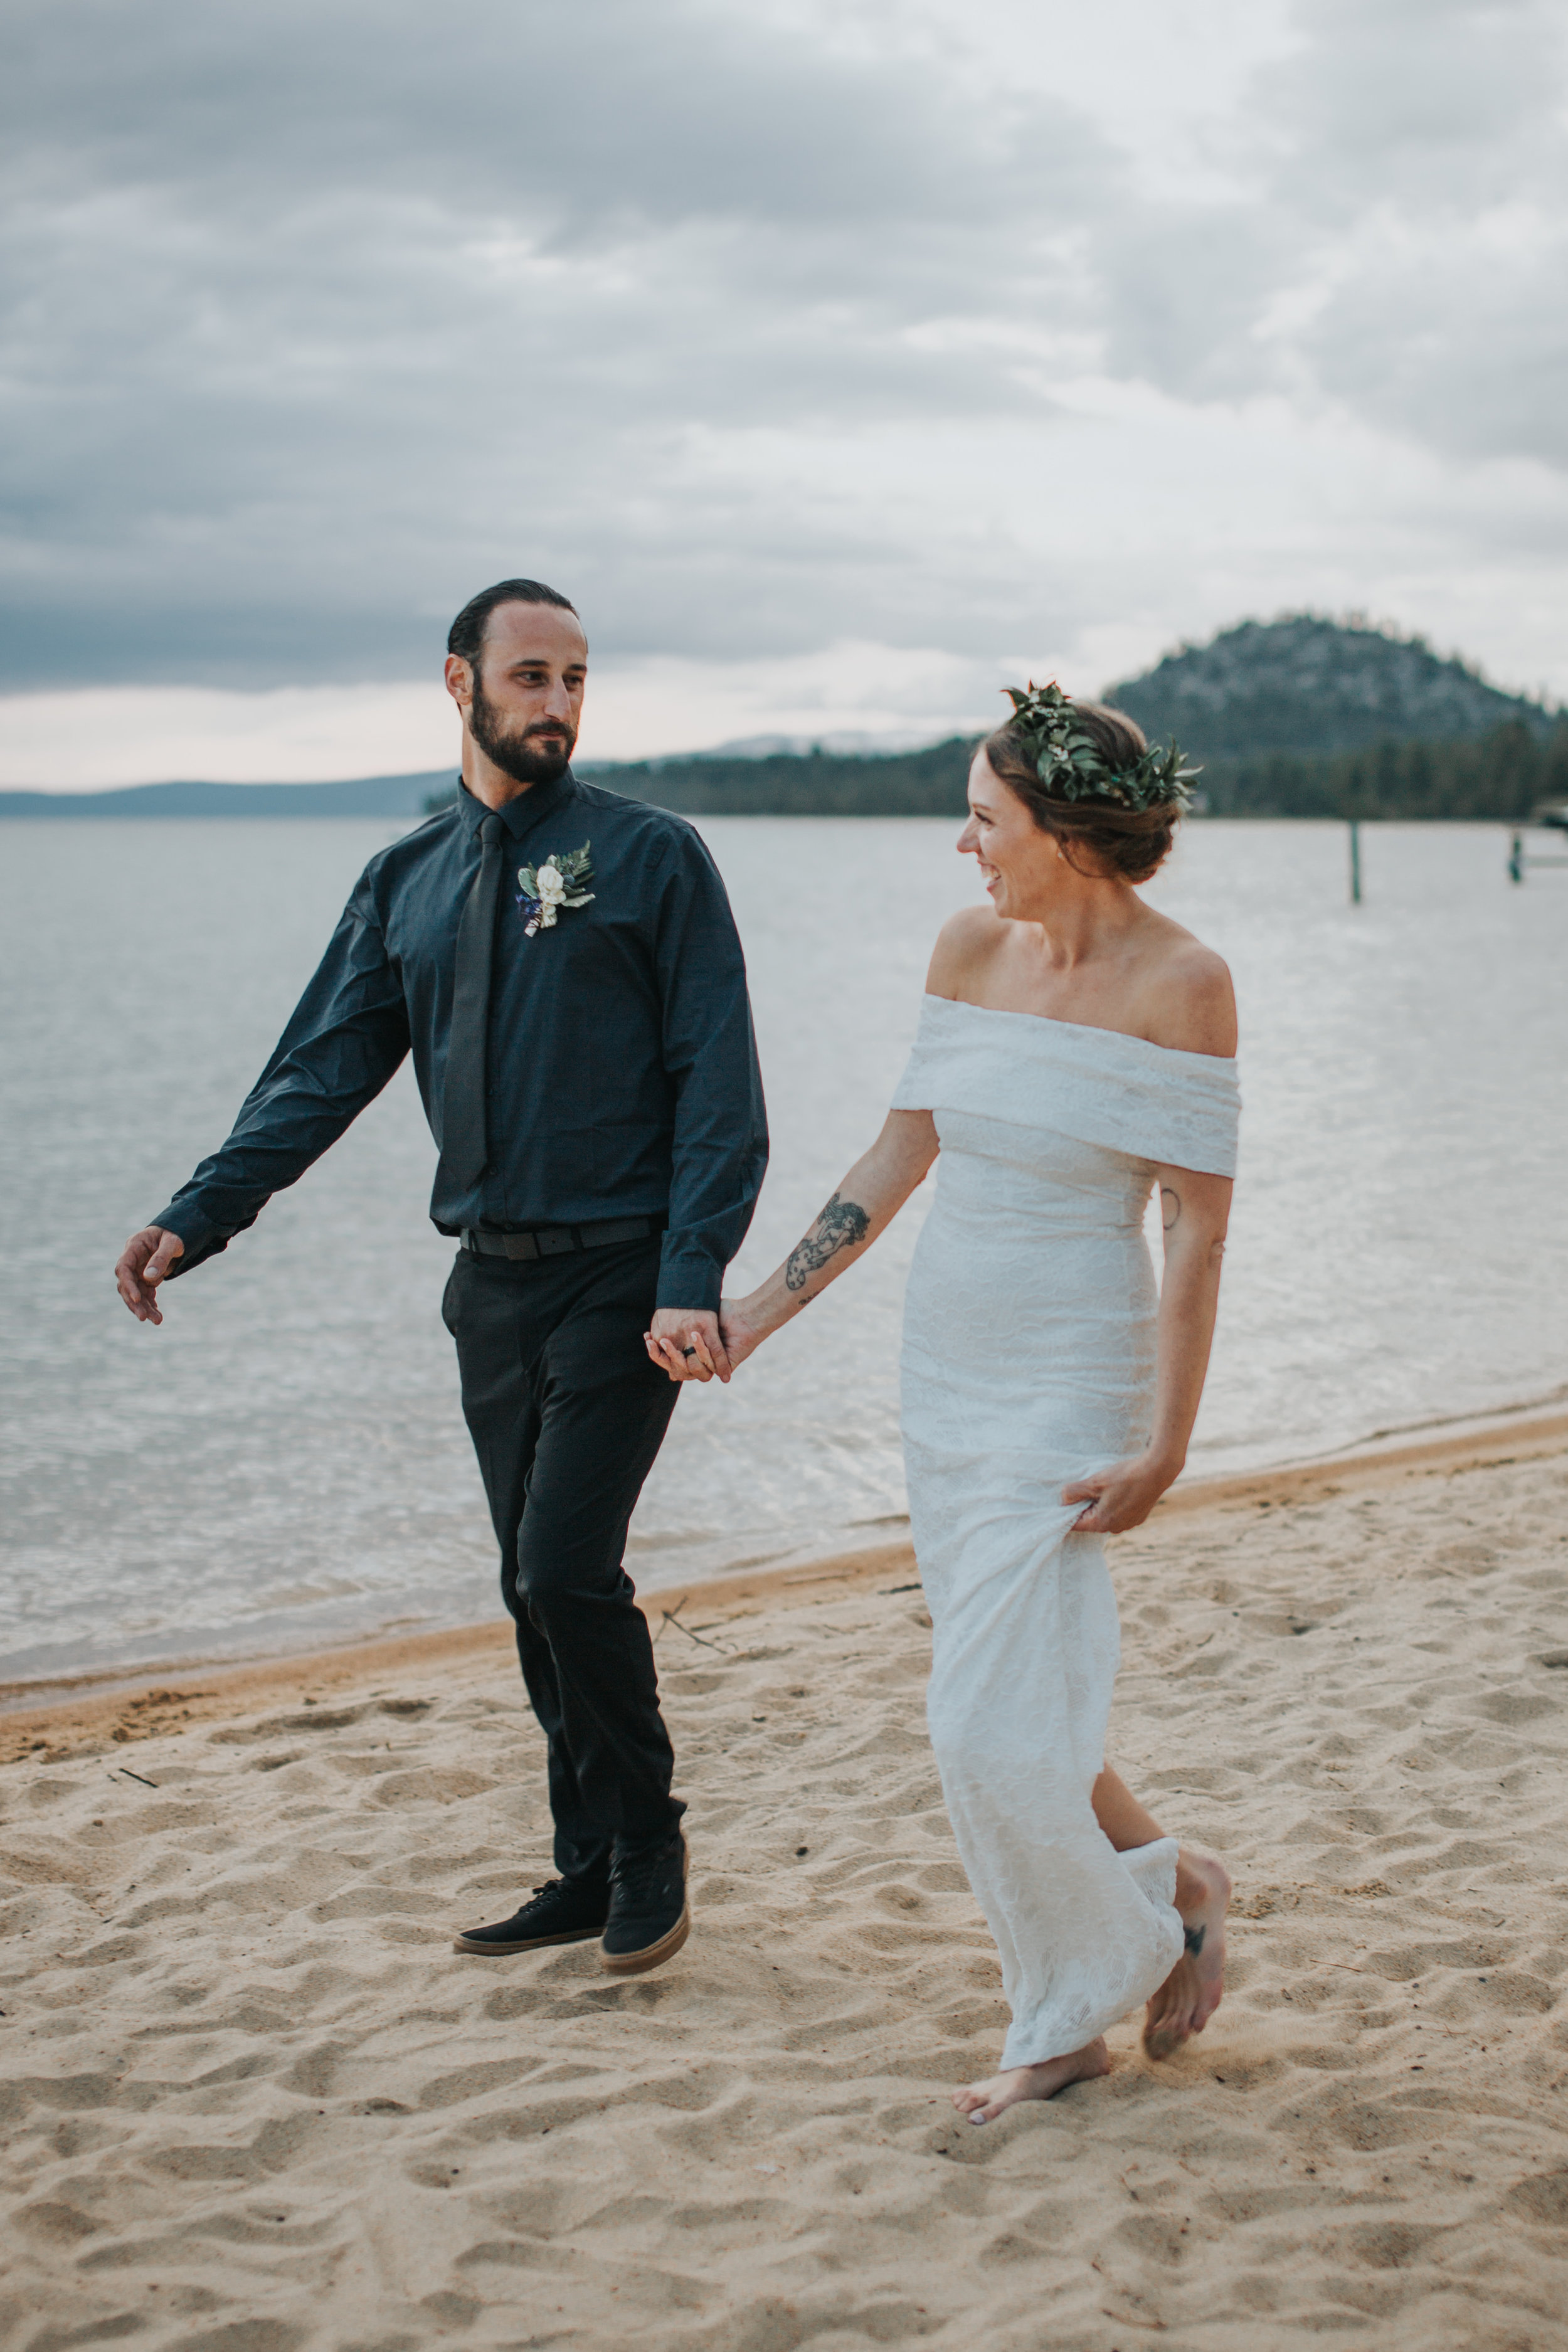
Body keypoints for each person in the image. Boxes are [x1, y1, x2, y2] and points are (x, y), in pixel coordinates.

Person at [115, 578, 768, 1978]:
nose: (558, 703)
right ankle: (584, 1862)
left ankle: (647, 1839)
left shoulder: (651, 857)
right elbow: (321, 1068)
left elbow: (718, 1081)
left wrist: (690, 1273)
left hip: (623, 1281)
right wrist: (198, 1215)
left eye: (576, 679)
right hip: (487, 1286)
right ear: (460, 683)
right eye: (531, 675)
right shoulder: (403, 878)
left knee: (562, 1566)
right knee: (525, 1584)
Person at [651, 683, 1237, 2119]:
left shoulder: (1185, 983)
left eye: (982, 818)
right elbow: (898, 1150)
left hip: (1072, 1383)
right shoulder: (967, 948)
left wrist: (1166, 1441)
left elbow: (1194, 1226)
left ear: (1066, 834)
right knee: (1014, 1698)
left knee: (978, 1726)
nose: (959, 845)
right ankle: (1184, 1886)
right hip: (947, 1374)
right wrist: (753, 1315)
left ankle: (1065, 2017)